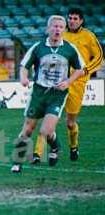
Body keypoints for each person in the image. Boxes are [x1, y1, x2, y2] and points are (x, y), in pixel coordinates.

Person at [10, 15, 85, 173]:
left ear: (64, 30)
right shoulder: (38, 47)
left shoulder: (70, 49)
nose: (57, 29)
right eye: (54, 26)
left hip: (57, 95)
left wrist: (68, 82)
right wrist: (23, 78)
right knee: (28, 130)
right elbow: (24, 66)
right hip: (38, 93)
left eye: (60, 27)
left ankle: (55, 146)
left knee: (45, 131)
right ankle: (17, 162)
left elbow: (80, 69)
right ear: (48, 28)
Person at [32, 8, 104, 163]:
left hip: (76, 83)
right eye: (70, 18)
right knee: (47, 118)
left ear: (81, 20)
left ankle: (73, 146)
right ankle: (38, 153)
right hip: (57, 82)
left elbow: (99, 57)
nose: (72, 20)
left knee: (70, 123)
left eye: (75, 18)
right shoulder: (60, 33)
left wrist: (86, 70)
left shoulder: (88, 36)